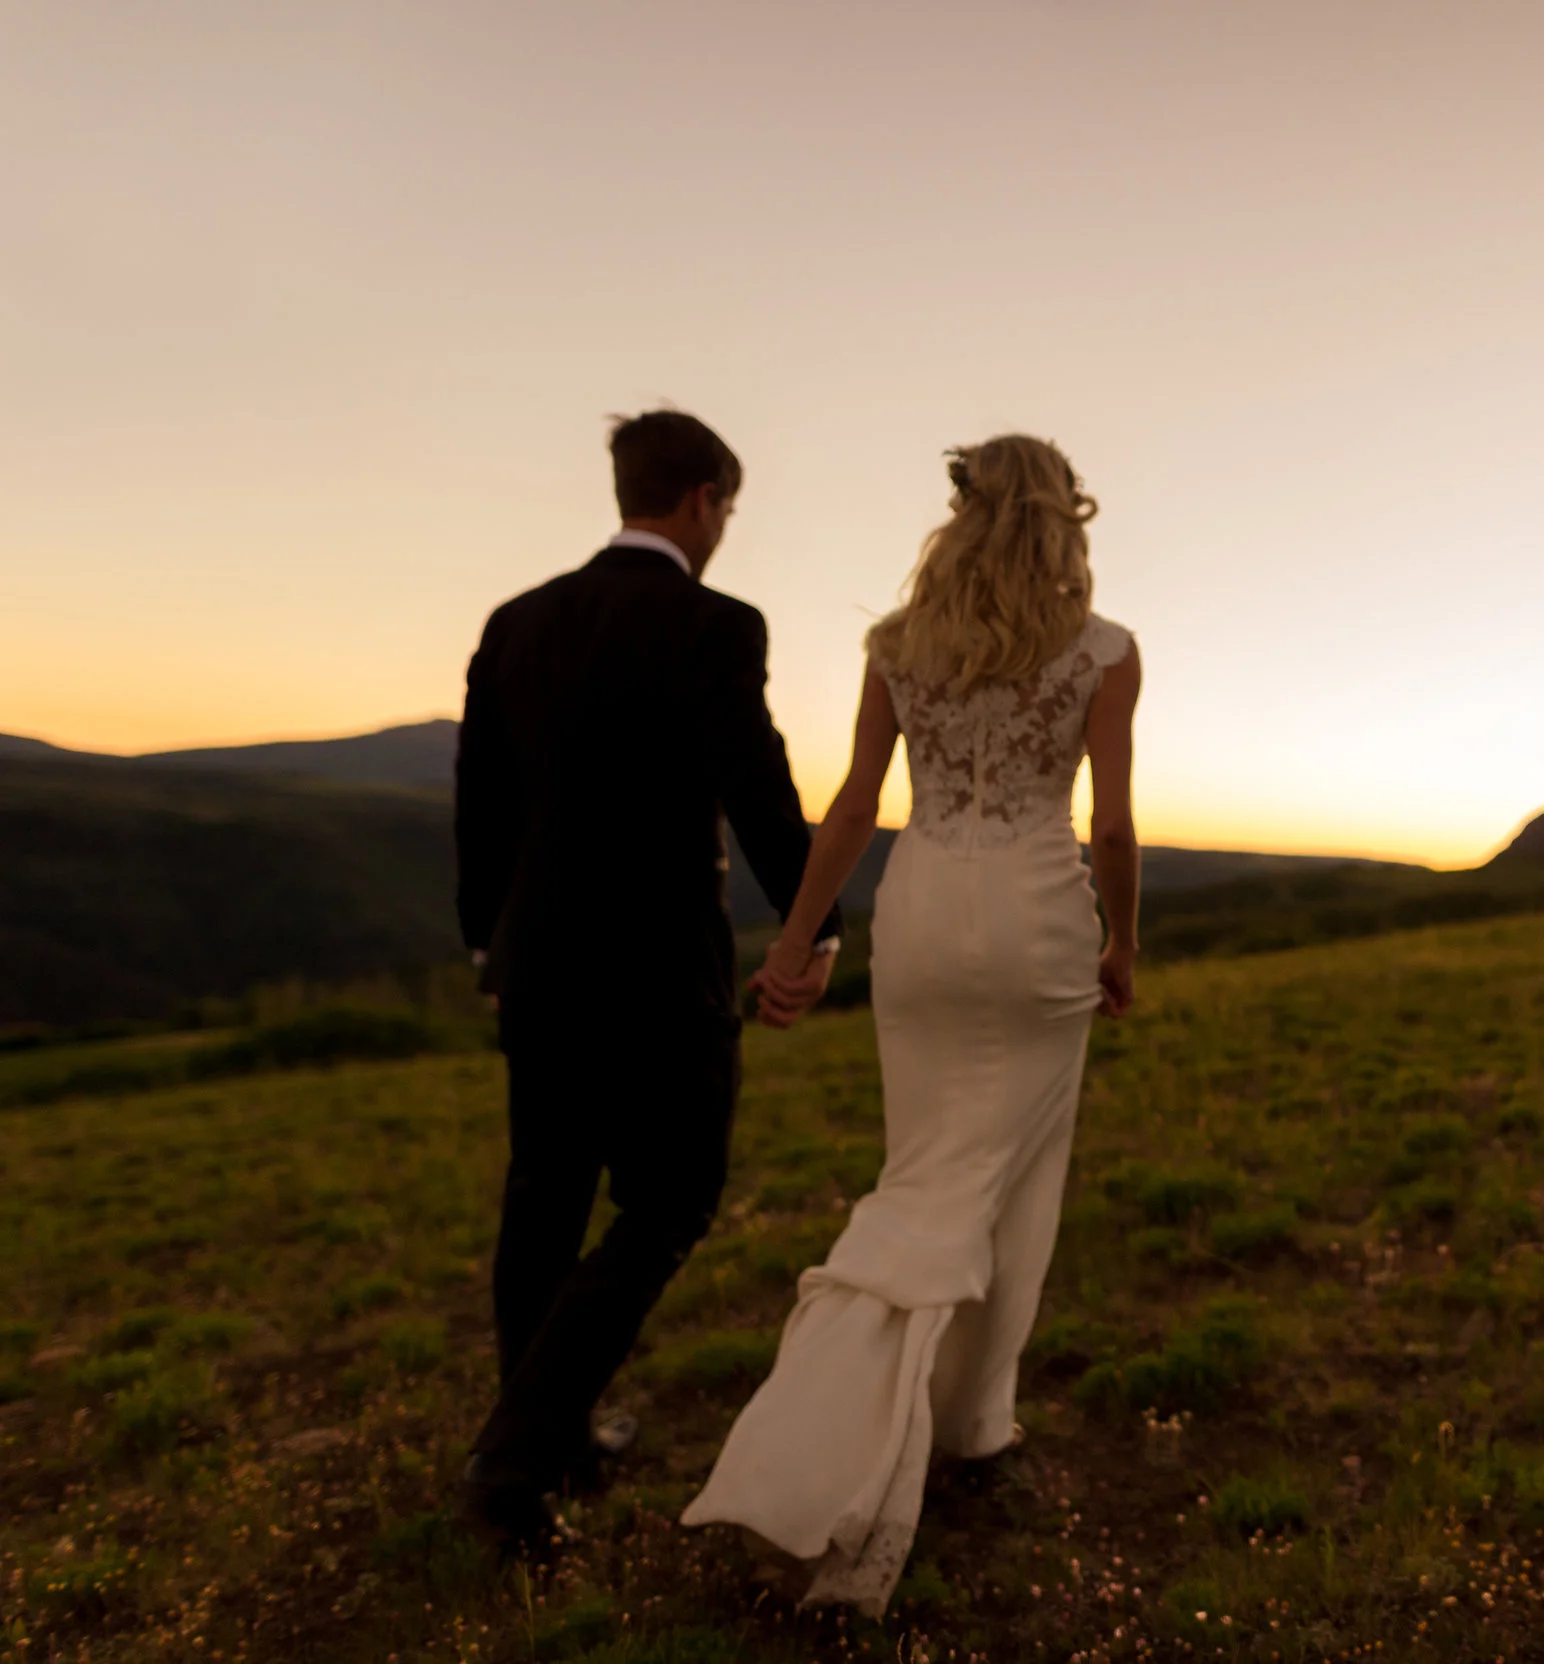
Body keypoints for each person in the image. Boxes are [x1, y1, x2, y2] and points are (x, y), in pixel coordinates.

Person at [679, 433, 1142, 1615]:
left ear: (960, 513)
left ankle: (959, 1421)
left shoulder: (896, 645)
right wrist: (1121, 942)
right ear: (1063, 518)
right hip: (1040, 919)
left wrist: (791, 949)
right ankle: (931, 1434)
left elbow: (850, 808)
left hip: (924, 915)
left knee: (928, 1169)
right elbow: (1118, 828)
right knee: (1007, 1180)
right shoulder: (1104, 652)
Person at [453, 409, 840, 1546]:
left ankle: (546, 1443)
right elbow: (758, 785)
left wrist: (489, 945)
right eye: (728, 508)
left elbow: (482, 807)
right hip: (664, 972)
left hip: (537, 967)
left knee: (547, 1203)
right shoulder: (715, 624)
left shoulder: (517, 621)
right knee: (670, 1202)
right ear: (704, 499)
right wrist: (808, 932)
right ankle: (510, 1461)